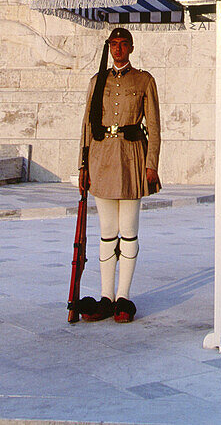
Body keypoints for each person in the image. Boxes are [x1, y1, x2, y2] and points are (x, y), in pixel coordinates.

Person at [77, 26, 161, 322]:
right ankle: (106, 296)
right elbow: (87, 126)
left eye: (123, 44)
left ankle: (124, 296)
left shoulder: (144, 80)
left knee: (128, 231)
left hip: (130, 158)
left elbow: (154, 125)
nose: (118, 49)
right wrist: (83, 166)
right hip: (102, 158)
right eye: (114, 44)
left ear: (132, 47)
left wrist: (152, 164)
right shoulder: (97, 81)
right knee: (106, 234)